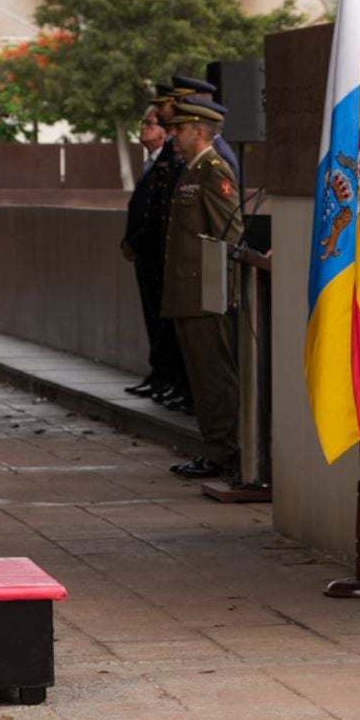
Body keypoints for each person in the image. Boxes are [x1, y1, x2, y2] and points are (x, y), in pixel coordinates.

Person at [160, 98, 242, 480]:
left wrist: (226, 290)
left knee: (214, 378)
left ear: (200, 132)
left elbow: (229, 234)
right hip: (188, 294)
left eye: (179, 130)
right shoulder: (190, 171)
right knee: (201, 377)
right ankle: (215, 448)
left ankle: (225, 452)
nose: (173, 135)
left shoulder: (213, 171)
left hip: (208, 294)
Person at [122, 103, 189, 409]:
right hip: (147, 255)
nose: (144, 128)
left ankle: (172, 379)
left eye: (150, 123)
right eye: (145, 122)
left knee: (167, 324)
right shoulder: (154, 162)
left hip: (162, 255)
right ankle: (160, 374)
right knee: (153, 319)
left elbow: (159, 213)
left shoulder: (172, 162)